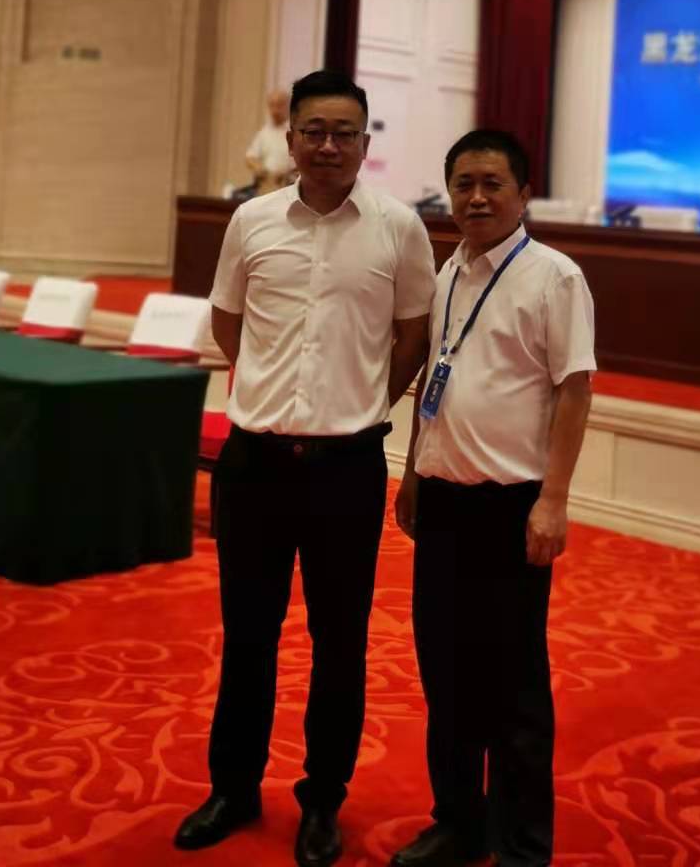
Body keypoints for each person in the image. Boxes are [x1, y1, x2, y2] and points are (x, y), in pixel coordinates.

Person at [176, 70, 436, 865]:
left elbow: (414, 335)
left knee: (340, 643)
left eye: (344, 133)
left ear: (364, 142)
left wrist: (363, 401)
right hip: (254, 463)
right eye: (314, 131)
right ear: (290, 140)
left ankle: (323, 800)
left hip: (346, 468)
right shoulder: (251, 221)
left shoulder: (399, 229)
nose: (328, 146)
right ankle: (233, 787)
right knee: (248, 635)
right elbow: (228, 318)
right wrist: (269, 387)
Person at [392, 128, 595, 867]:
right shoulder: (447, 271)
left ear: (524, 194)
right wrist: (414, 470)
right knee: (445, 676)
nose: (476, 198)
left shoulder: (555, 277)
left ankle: (520, 846)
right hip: (444, 503)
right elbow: (434, 380)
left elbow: (574, 391)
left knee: (513, 687)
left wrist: (554, 499)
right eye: (463, 185)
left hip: (511, 508)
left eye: (492, 184)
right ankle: (458, 822)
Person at [245, 87, 296, 195]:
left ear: (289, 106)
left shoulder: (296, 130)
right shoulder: (264, 133)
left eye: (280, 105)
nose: (275, 110)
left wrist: (286, 172)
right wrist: (259, 169)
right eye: (272, 105)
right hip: (267, 185)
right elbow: (250, 157)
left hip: (289, 184)